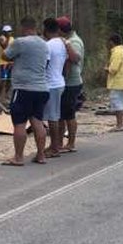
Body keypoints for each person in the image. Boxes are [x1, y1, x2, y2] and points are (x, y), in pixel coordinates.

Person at [2, 17, 50, 166]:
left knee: (19, 123)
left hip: (23, 88)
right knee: (37, 121)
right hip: (41, 88)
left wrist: (4, 45)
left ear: (23, 28)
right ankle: (41, 155)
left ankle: (18, 157)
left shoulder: (20, 42)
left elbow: (5, 55)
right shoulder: (44, 44)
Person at [41, 17, 72, 159]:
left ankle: (54, 148)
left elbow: (44, 65)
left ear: (46, 30)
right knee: (56, 116)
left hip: (51, 84)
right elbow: (67, 63)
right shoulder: (62, 43)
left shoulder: (48, 45)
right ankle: (55, 144)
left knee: (52, 118)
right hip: (60, 82)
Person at [57, 16, 83, 153]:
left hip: (71, 82)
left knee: (69, 114)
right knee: (63, 114)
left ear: (61, 30)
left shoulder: (74, 42)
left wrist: (66, 46)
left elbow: (75, 58)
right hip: (67, 82)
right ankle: (60, 142)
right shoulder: (71, 39)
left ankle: (71, 143)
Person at [106, 33, 123, 132]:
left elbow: (113, 69)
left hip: (117, 82)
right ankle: (120, 123)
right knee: (121, 103)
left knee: (117, 104)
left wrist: (107, 69)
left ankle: (119, 125)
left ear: (112, 42)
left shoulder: (116, 52)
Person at [0, 25, 15, 97]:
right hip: (3, 62)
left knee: (9, 79)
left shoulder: (12, 39)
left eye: (9, 31)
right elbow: (4, 47)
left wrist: (13, 61)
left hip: (11, 62)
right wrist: (7, 38)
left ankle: (6, 94)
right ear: (4, 32)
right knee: (3, 79)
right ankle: (0, 94)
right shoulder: (1, 38)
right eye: (7, 32)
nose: (8, 33)